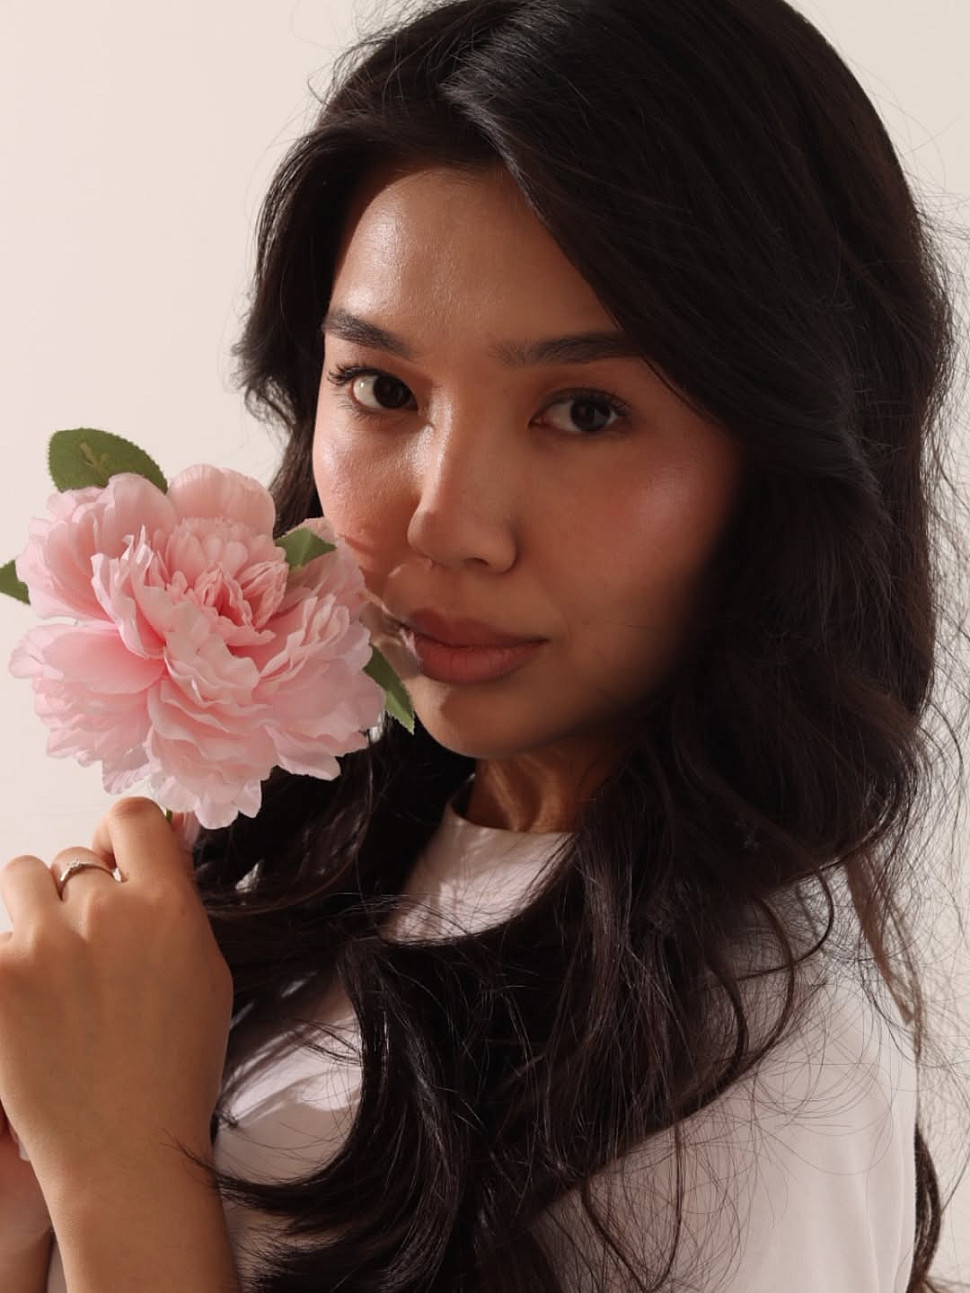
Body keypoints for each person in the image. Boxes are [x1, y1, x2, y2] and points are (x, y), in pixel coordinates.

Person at [0, 0, 967, 1288]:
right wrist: (35, 1207)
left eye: (585, 411)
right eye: (383, 388)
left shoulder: (747, 1088)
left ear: (780, 458)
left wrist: (125, 1163)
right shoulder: (357, 864)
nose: (444, 523)